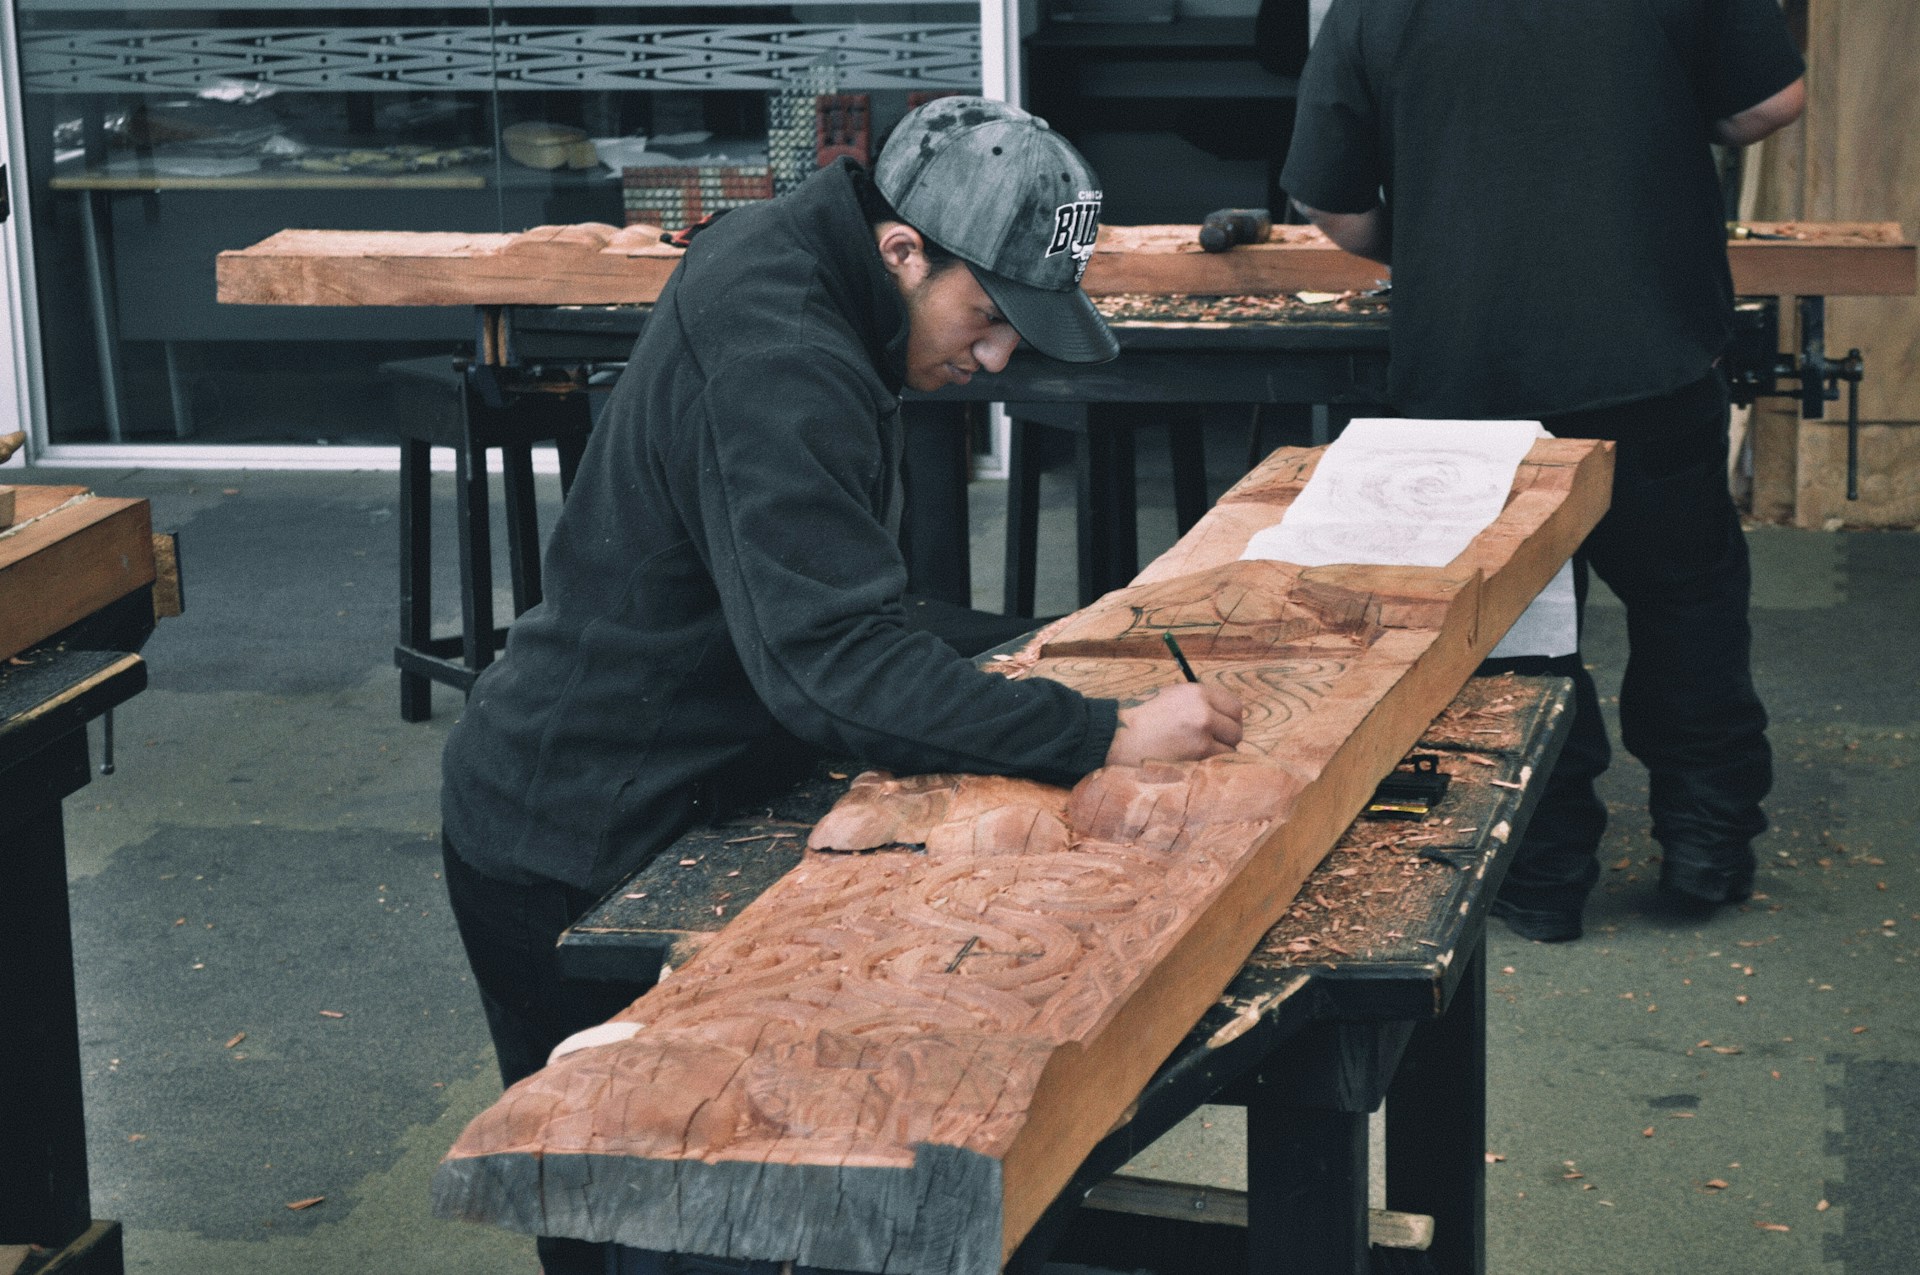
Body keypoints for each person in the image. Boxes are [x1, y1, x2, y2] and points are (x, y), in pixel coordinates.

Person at [438, 96, 1245, 1271]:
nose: (998, 356)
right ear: (903, 251)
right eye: (987, 315)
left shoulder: (815, 269)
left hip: (697, 779)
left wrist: (1040, 646)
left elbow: (847, 616)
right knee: (657, 1231)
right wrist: (1100, 731)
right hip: (581, 834)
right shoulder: (782, 352)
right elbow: (833, 666)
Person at [1279, 1, 1806, 942]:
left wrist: (1439, 238)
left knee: (1515, 625)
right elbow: (1774, 101)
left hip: (1471, 364)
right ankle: (1706, 841)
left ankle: (1542, 868)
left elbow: (1333, 200)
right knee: (1686, 592)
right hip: (1649, 341)